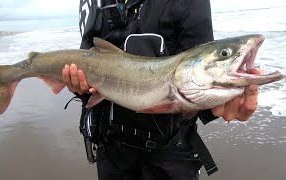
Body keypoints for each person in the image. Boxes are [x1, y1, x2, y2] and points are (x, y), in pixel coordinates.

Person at [62, 0, 260, 179]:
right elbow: (87, 61)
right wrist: (79, 87)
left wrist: (218, 103)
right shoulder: (94, 2)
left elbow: (198, 72)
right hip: (111, 153)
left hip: (169, 158)